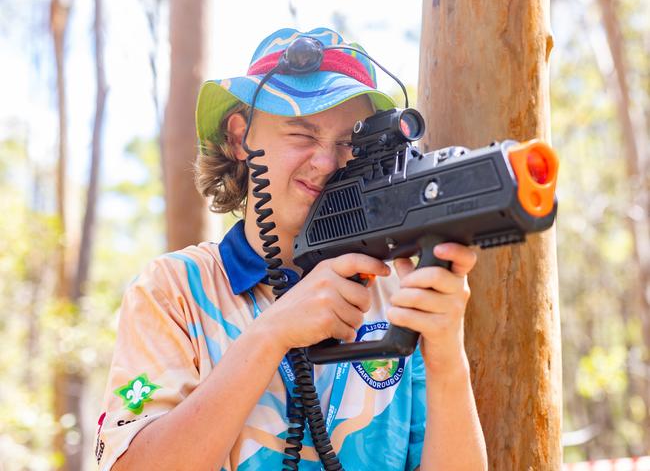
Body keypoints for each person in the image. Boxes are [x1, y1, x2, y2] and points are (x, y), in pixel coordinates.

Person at [95, 27, 487, 470]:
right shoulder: (173, 291)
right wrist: (272, 333)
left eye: (346, 144)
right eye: (302, 134)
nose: (325, 163)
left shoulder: (398, 292)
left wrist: (448, 360)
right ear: (241, 139)